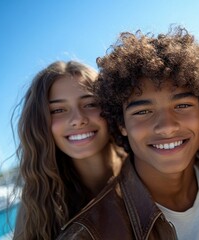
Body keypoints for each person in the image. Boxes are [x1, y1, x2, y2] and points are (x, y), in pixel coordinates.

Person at [57, 27, 199, 240]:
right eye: (143, 111)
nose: (167, 126)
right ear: (122, 124)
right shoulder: (89, 235)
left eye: (182, 105)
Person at [11, 61, 124, 239]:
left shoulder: (146, 170)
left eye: (90, 104)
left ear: (109, 107)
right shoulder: (38, 202)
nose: (77, 119)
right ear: (40, 124)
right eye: (58, 110)